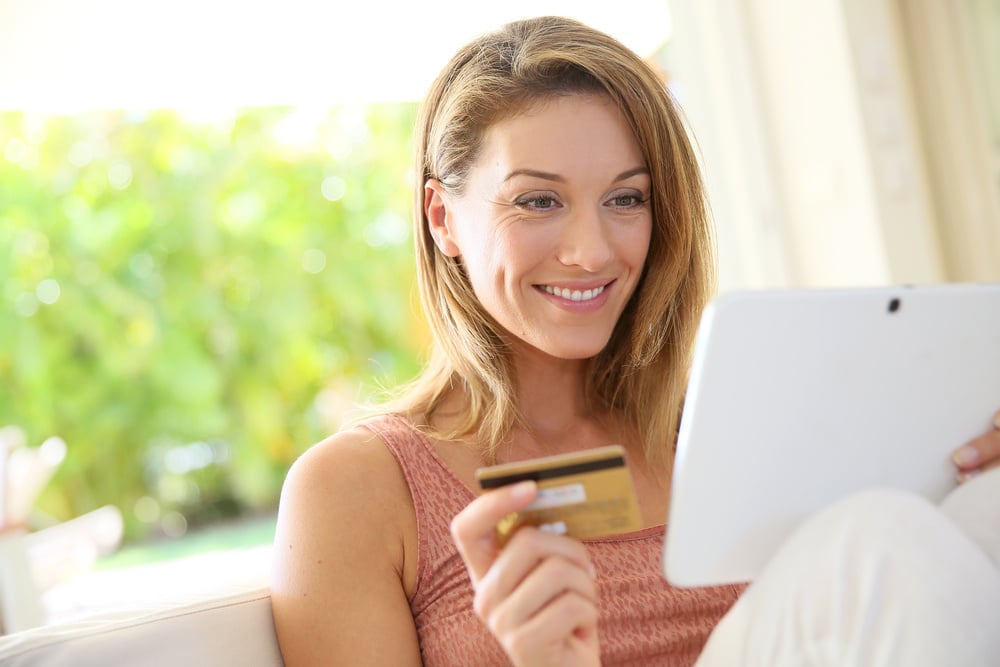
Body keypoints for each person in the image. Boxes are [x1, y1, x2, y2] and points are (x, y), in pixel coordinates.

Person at [269, 16, 1000, 666]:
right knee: (877, 542)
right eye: (538, 200)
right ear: (442, 218)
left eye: (626, 198)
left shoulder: (732, 423)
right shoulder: (358, 490)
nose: (591, 251)